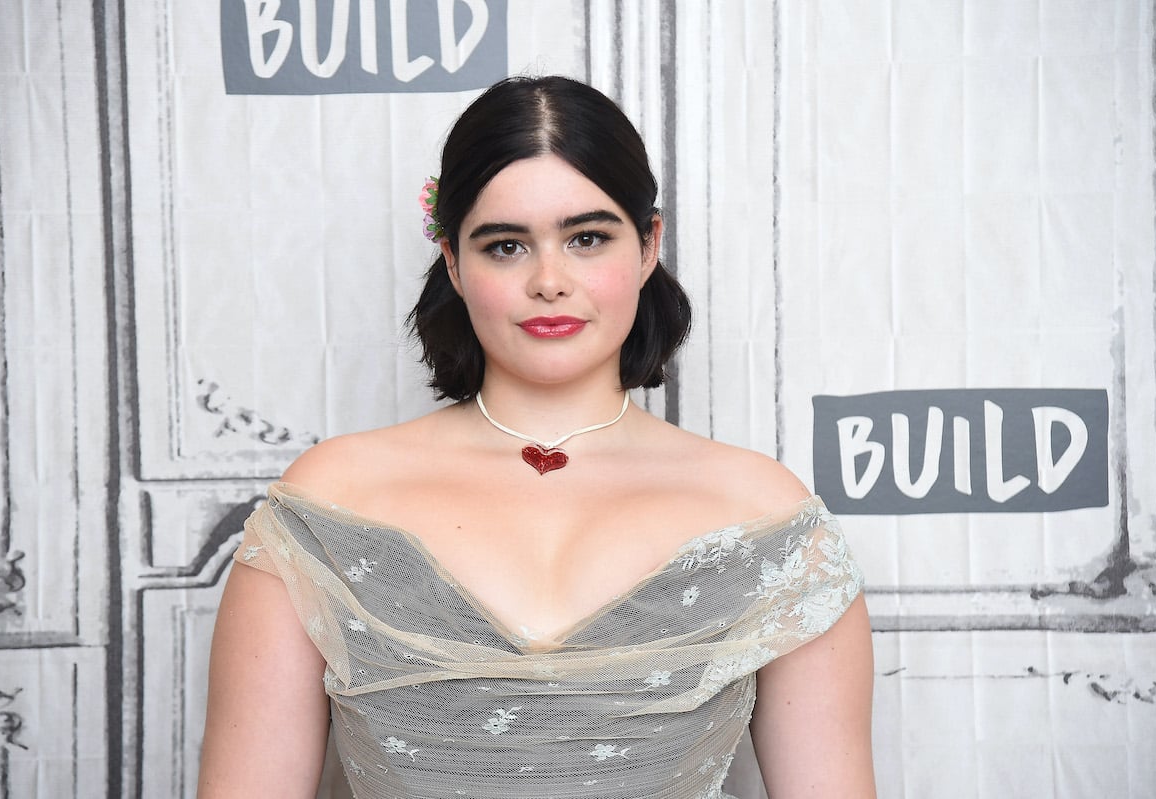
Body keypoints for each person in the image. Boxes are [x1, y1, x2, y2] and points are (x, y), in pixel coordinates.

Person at [198, 75, 875, 799]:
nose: (549, 280)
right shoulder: (329, 504)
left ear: (649, 245)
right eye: (506, 246)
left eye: (587, 238)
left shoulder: (762, 515)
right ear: (453, 260)